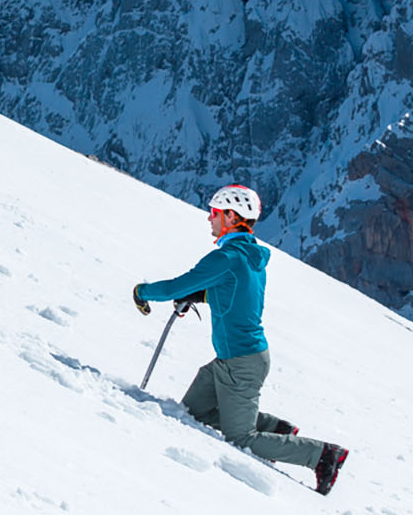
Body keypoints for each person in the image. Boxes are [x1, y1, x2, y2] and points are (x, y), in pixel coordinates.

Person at [133, 186, 350, 494]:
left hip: (241, 364)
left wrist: (141, 292)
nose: (209, 218)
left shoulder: (227, 257)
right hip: (233, 360)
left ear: (231, 217)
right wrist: (203, 295)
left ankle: (322, 455)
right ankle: (277, 430)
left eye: (215, 213)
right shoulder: (249, 257)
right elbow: (235, 296)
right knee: (194, 413)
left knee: (241, 438)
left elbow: (173, 287)